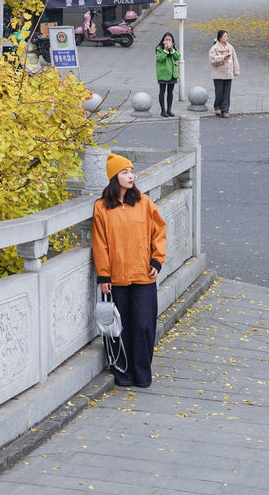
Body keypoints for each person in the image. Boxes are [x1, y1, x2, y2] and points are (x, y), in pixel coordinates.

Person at [92, 154, 167, 388]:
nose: (130, 176)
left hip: (143, 274)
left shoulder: (144, 203)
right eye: (125, 172)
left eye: (132, 171)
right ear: (115, 177)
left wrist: (157, 260)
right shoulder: (102, 207)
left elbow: (160, 231)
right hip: (116, 278)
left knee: (144, 325)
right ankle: (122, 373)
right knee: (119, 328)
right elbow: (100, 243)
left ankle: (142, 374)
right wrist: (103, 275)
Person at [208, 29, 240, 118]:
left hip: (228, 73)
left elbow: (234, 59)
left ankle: (225, 110)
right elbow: (212, 60)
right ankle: (217, 107)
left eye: (227, 36)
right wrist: (223, 58)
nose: (226, 38)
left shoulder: (230, 47)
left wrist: (236, 71)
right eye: (224, 36)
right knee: (219, 92)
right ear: (219, 38)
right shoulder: (214, 48)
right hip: (218, 73)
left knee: (227, 93)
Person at [155, 32, 180, 117]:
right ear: (163, 40)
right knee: (162, 92)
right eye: (166, 40)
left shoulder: (174, 47)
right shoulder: (159, 48)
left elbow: (177, 57)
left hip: (172, 73)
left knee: (170, 92)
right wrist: (165, 50)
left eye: (170, 40)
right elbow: (160, 59)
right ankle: (163, 110)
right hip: (163, 73)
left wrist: (172, 49)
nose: (168, 41)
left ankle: (169, 110)